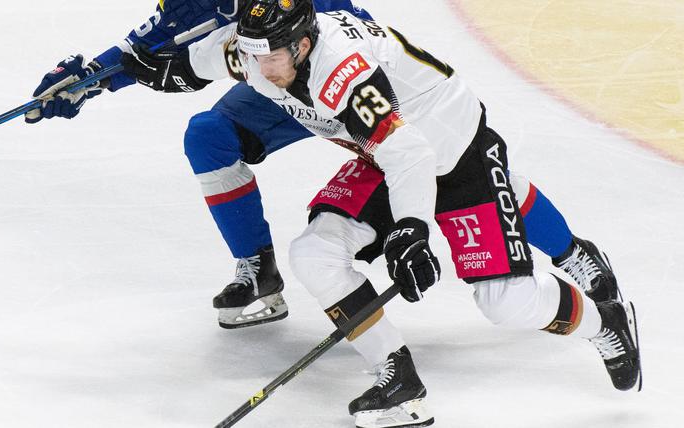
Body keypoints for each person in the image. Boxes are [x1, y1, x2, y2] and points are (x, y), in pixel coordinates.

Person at [119, 1, 642, 426]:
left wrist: (412, 231)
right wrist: (163, 73)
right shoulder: (259, 53)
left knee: (504, 302)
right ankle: (397, 376)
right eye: (252, 57)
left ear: (302, 45)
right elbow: (206, 59)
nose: (261, 70)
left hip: (453, 148)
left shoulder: (344, 73)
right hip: (386, 153)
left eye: (272, 58)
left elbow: (411, 153)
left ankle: (606, 322)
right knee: (316, 253)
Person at [25, 0, 622, 331]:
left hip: (346, 81)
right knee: (210, 135)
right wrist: (89, 80)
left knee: (451, 163)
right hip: (279, 78)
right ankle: (258, 270)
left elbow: (320, 42)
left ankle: (570, 251)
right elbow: (159, 50)